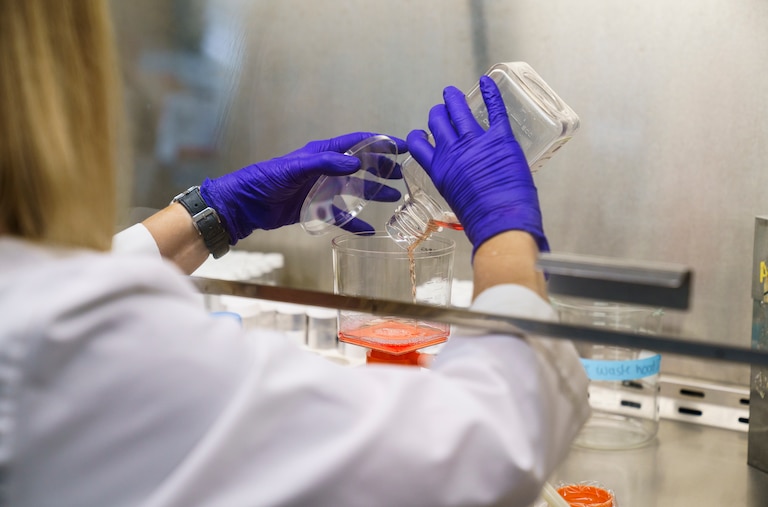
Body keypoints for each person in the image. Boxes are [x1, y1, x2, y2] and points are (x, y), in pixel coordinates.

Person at [0, 2, 589, 506]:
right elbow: (485, 447)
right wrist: (505, 233)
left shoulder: (40, 313)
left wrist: (211, 214)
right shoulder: (70, 339)